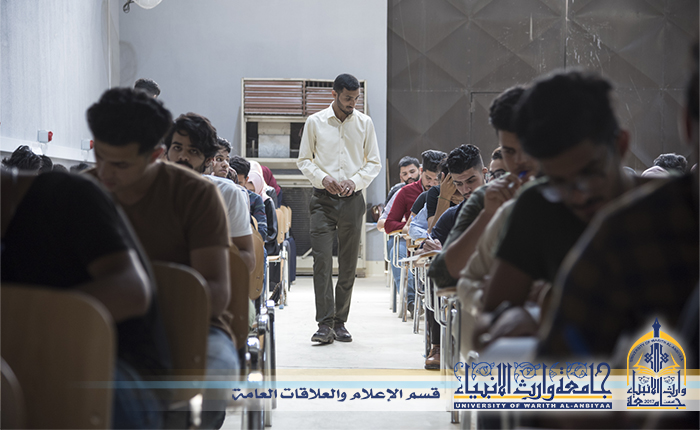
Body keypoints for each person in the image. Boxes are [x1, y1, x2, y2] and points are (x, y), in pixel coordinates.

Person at [86, 88, 236, 429]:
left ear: (156, 155)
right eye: (100, 157)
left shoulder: (197, 195)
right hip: (109, 324)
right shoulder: (83, 192)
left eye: (121, 164)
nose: (105, 174)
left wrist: (146, 308)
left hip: (195, 325)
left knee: (212, 381)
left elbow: (216, 292)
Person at [539, 42, 699, 362]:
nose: (580, 196)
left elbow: (559, 376)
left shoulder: (625, 236)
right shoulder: (622, 236)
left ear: (685, 123)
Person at [1, 167, 171, 429]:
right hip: (30, 361)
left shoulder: (68, 194)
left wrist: (21, 323)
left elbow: (133, 292)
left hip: (122, 367)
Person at [480, 71, 651, 330]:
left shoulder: (673, 210)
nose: (579, 196)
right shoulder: (538, 206)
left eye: (590, 173)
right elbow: (485, 324)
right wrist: (520, 318)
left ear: (621, 145)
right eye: (558, 182)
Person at [297, 73, 381, 344]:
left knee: (348, 263)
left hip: (352, 201)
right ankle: (324, 324)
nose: (352, 103)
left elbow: (374, 163)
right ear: (334, 94)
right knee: (322, 261)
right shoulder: (315, 122)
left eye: (356, 98)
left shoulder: (365, 123)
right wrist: (324, 178)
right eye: (347, 98)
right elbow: (304, 160)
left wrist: (354, 181)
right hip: (322, 201)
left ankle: (340, 322)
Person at [429, 86, 538, 288]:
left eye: (526, 149)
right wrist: (487, 215)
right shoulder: (485, 200)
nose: (518, 162)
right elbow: (441, 275)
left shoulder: (566, 193)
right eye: (509, 152)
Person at [164, 113, 255, 273]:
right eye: (177, 148)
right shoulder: (151, 190)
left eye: (193, 151)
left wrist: (204, 260)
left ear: (208, 160)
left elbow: (247, 258)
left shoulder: (227, 193)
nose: (183, 157)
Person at [384, 149, 445, 314]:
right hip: (408, 238)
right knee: (398, 251)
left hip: (435, 239)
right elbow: (388, 224)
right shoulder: (405, 192)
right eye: (428, 178)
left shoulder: (446, 193)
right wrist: (407, 227)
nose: (432, 183)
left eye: (437, 179)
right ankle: (411, 302)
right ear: (421, 172)